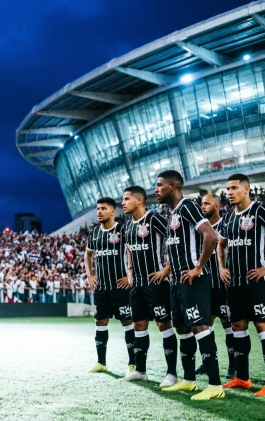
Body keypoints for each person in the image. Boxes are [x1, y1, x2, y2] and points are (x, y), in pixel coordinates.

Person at [218, 173, 265, 397]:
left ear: (247, 189)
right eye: (227, 189)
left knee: (263, 327)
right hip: (235, 284)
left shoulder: (260, 211)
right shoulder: (228, 217)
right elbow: (220, 244)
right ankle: (242, 378)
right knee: (238, 327)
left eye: (234, 188)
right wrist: (222, 268)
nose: (229, 192)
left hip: (257, 283)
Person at [155, 170, 224, 401]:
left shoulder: (188, 207)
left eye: (160, 185)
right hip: (177, 282)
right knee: (183, 330)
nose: (156, 189)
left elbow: (210, 236)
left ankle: (215, 385)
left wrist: (198, 267)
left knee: (200, 327)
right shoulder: (172, 213)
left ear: (173, 186)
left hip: (193, 280)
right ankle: (189, 380)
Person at [119, 186, 177, 387]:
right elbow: (128, 250)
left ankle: (171, 374)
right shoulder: (127, 227)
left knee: (163, 325)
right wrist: (129, 271)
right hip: (137, 286)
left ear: (139, 200)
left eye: (127, 199)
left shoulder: (154, 220)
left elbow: (175, 241)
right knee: (138, 325)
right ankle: (140, 371)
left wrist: (166, 270)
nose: (123, 203)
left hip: (156, 283)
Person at [84, 197, 135, 376]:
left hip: (120, 286)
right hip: (102, 287)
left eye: (104, 208)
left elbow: (132, 250)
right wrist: (90, 275)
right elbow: (88, 254)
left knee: (127, 322)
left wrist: (130, 274)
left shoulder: (122, 230)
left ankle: (133, 364)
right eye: (98, 208)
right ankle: (101, 362)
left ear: (113, 212)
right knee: (100, 321)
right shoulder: (94, 233)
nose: (99, 211)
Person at [195, 194, 236, 379]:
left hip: (223, 284)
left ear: (217, 206)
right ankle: (207, 362)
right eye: (201, 204)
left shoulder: (225, 225)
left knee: (228, 324)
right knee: (205, 325)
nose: (203, 207)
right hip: (204, 284)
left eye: (207, 203)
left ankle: (233, 365)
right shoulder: (199, 228)